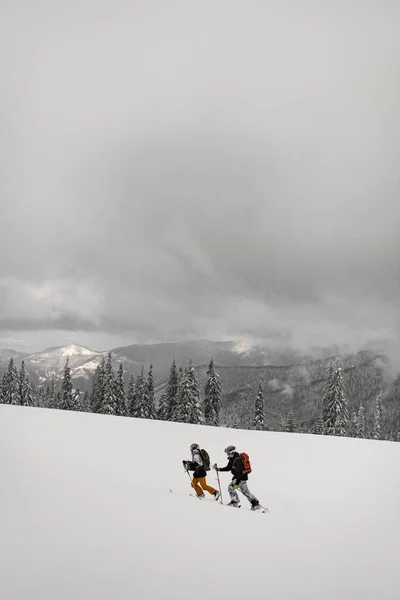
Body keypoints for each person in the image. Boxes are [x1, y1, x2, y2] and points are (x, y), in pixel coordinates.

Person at [213, 445, 261, 510]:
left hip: (240, 478)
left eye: (228, 453)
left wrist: (236, 483)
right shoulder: (232, 459)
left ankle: (235, 502)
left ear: (232, 452)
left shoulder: (237, 460)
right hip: (240, 477)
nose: (227, 454)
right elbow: (228, 468)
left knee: (231, 487)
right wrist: (219, 469)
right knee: (245, 491)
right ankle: (255, 504)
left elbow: (240, 473)